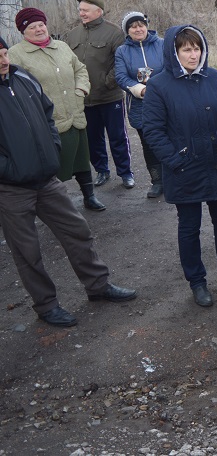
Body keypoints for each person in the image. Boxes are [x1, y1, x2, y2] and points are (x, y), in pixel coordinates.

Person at [0, 39, 136, 328]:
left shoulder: (22, 77)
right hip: (11, 189)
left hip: (46, 180)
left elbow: (47, 113)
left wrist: (52, 146)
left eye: (3, 53)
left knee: (77, 231)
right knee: (28, 252)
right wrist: (10, 169)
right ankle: (47, 305)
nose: (3, 60)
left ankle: (98, 286)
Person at [142, 25, 217, 307]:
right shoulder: (160, 86)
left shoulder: (213, 77)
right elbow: (153, 131)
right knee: (189, 227)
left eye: (197, 48)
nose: (193, 54)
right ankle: (197, 282)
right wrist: (175, 160)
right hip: (184, 168)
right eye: (186, 49)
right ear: (174, 51)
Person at [8, 8, 105, 211]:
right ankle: (57, 206)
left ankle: (89, 196)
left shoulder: (61, 46)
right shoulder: (16, 54)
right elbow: (15, 85)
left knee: (81, 158)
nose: (38, 29)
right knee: (53, 165)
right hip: (47, 121)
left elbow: (80, 69)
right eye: (32, 27)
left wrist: (81, 89)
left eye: (41, 25)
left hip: (75, 113)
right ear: (23, 32)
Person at [64, 0, 133, 189]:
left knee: (118, 136)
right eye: (80, 10)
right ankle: (102, 171)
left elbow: (121, 63)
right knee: (93, 139)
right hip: (85, 98)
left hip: (110, 96)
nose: (81, 13)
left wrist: (106, 82)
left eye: (85, 10)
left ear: (98, 11)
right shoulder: (72, 35)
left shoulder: (114, 33)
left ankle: (125, 172)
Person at [115, 11, 165, 199]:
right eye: (133, 26)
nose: (138, 29)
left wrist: (159, 87)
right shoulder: (122, 51)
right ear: (127, 31)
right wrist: (140, 90)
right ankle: (157, 181)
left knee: (170, 138)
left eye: (141, 24)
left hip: (165, 101)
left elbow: (171, 67)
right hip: (140, 104)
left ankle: (175, 177)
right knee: (149, 143)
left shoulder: (161, 44)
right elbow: (120, 76)